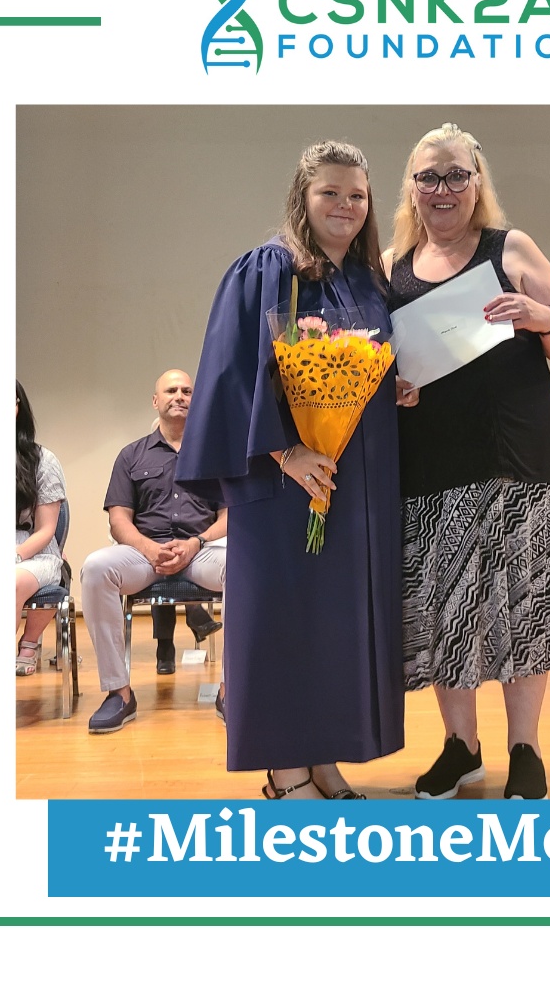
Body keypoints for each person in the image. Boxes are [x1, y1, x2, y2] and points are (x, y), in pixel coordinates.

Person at [176, 140, 404, 800]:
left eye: (357, 195)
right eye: (330, 192)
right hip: (282, 484)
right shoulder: (267, 270)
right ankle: (283, 770)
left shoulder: (366, 281)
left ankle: (323, 758)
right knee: (283, 622)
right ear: (303, 198)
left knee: (335, 625)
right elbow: (230, 374)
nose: (346, 206)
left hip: (352, 482)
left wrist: (395, 388)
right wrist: (287, 452)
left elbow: (361, 367)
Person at [385, 122, 550, 800]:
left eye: (455, 176)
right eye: (429, 177)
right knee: (448, 611)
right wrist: (394, 388)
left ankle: (525, 750)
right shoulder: (390, 268)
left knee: (525, 605)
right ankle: (460, 748)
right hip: (431, 463)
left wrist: (541, 316)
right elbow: (380, 367)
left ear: (477, 183)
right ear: (411, 189)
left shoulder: (512, 248)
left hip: (519, 457)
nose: (443, 189)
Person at [80, 369, 228, 733]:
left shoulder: (217, 454)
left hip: (202, 549)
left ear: (197, 400)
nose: (180, 396)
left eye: (188, 390)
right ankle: (119, 693)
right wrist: (148, 549)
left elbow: (231, 516)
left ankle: (231, 690)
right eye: (171, 390)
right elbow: (118, 520)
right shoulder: (131, 455)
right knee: (96, 567)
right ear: (156, 400)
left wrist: (195, 543)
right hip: (144, 556)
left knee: (245, 567)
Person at [15, 381, 67, 675]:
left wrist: (16, 555)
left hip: (33, 551)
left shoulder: (42, 460)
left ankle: (29, 642)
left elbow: (47, 529)